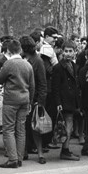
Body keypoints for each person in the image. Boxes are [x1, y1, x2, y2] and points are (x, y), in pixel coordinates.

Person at [0, 39, 35, 168]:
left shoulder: (8, 64)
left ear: (8, 50)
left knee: (8, 129)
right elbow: (32, 85)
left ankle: (12, 158)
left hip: (11, 100)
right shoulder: (27, 65)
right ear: (20, 50)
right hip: (24, 99)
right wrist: (30, 101)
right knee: (21, 129)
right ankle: (20, 157)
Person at [51, 40, 81, 161]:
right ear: (62, 52)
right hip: (64, 101)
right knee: (67, 126)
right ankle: (65, 150)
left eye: (71, 51)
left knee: (70, 125)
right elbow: (55, 87)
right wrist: (58, 102)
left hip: (72, 100)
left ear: (75, 52)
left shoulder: (74, 66)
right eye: (66, 51)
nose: (68, 53)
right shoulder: (58, 67)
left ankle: (66, 148)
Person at [21, 35, 48, 164]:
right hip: (24, 98)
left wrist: (41, 102)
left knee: (35, 128)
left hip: (34, 99)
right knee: (24, 127)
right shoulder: (23, 59)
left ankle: (40, 153)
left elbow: (43, 83)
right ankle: (24, 151)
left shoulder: (38, 61)